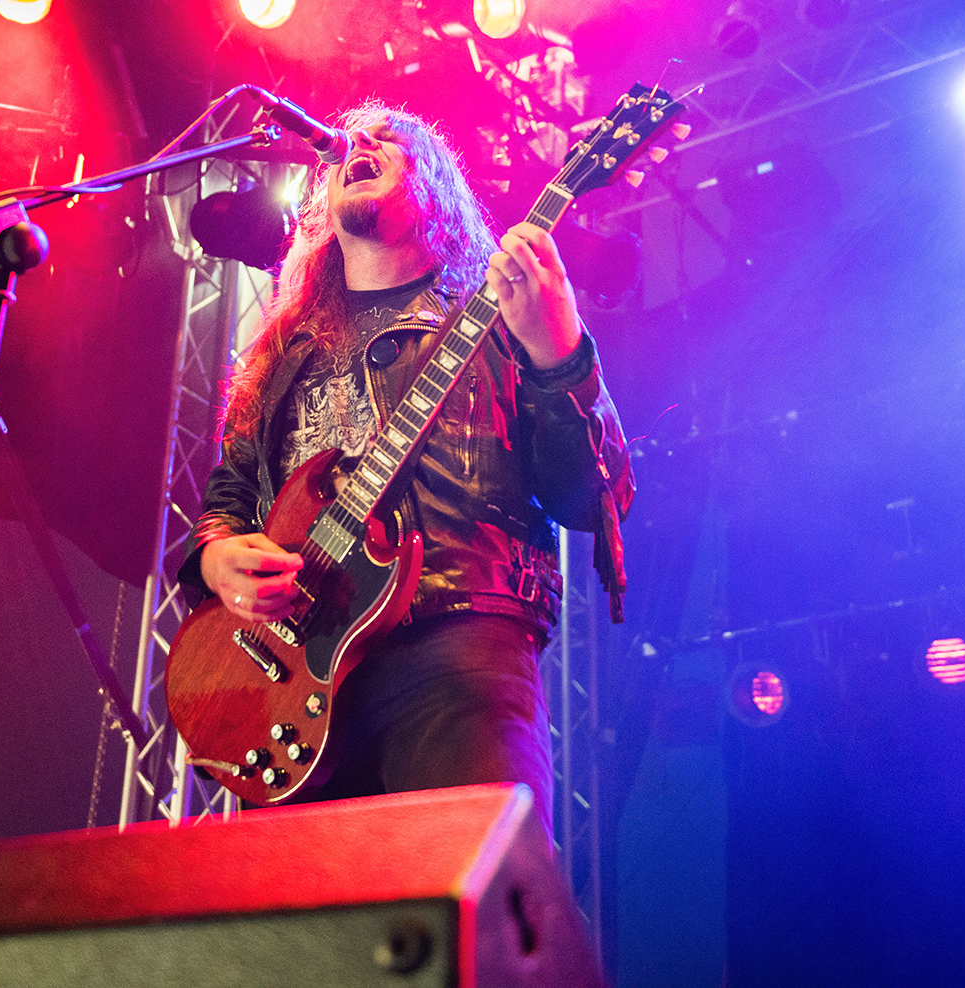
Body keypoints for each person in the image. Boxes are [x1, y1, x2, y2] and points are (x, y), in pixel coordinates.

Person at [176, 100, 632, 837]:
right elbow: (228, 499)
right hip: (291, 677)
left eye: (389, 140)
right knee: (299, 944)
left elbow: (594, 498)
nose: (359, 144)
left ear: (437, 185)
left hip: (456, 651)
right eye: (348, 143)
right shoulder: (283, 353)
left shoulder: (496, 318)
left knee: (468, 911)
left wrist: (559, 354)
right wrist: (221, 555)